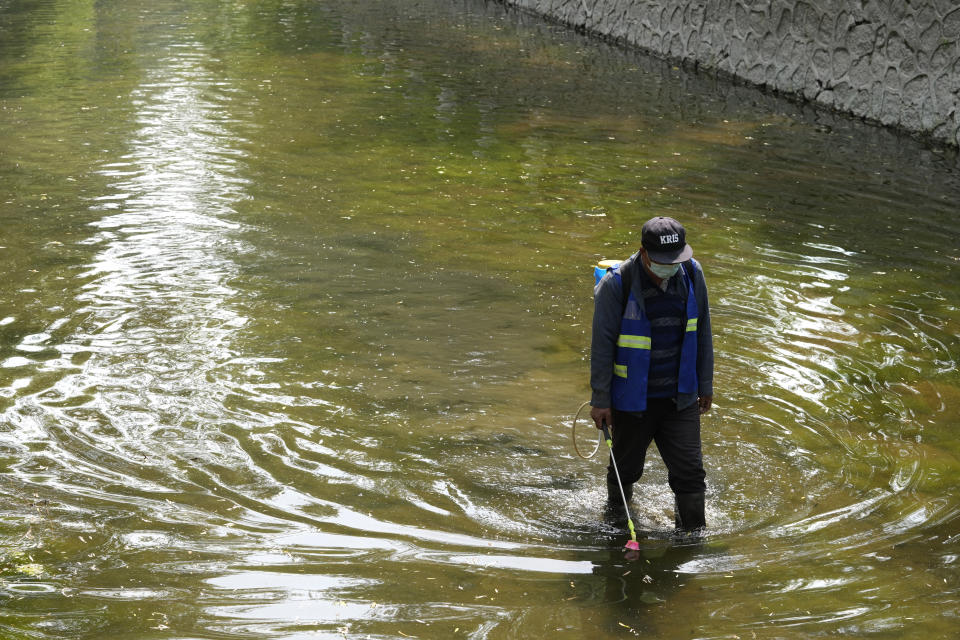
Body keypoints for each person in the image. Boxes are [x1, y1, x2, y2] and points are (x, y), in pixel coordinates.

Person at [589, 216, 713, 532]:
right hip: (632, 402)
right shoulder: (616, 284)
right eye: (663, 261)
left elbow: (703, 332)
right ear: (644, 252)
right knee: (625, 470)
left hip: (680, 397)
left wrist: (705, 383)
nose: (670, 266)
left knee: (690, 473)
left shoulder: (692, 273)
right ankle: (617, 523)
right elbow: (601, 346)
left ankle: (692, 539)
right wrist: (601, 400)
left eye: (676, 260)